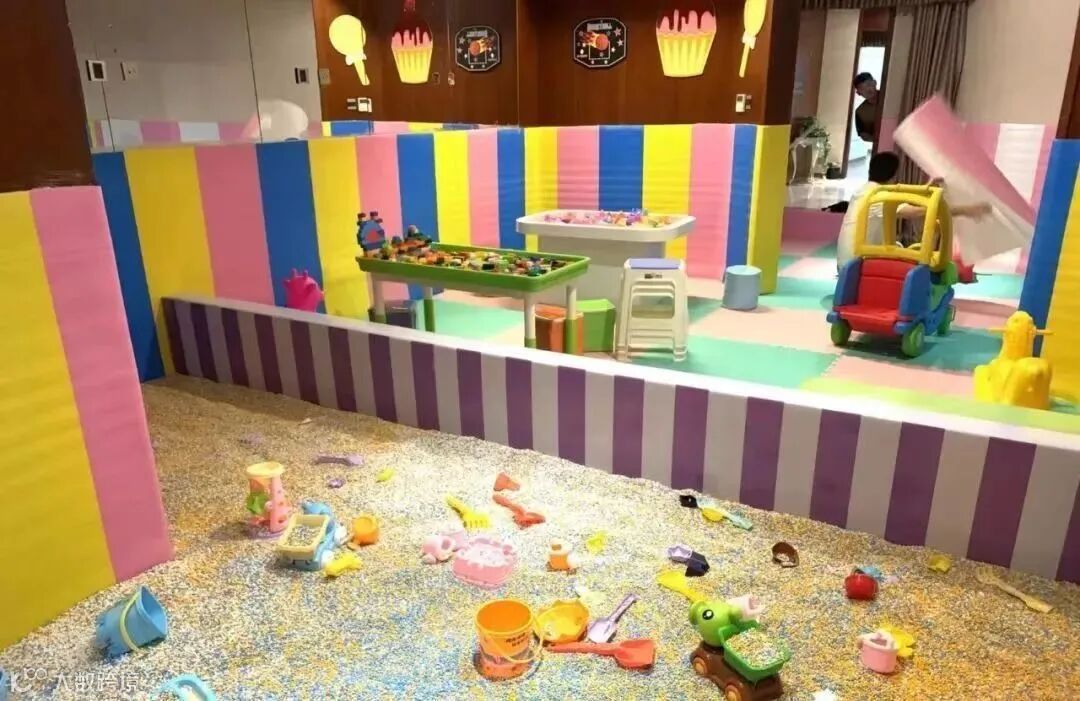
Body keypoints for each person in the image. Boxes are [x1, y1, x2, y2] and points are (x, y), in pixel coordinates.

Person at [837, 151, 991, 271]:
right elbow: (921, 211)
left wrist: (927, 187)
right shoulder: (880, 197)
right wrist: (967, 210)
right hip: (857, 266)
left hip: (845, 263)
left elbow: (908, 198)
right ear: (893, 176)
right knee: (912, 260)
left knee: (897, 245)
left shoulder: (864, 191)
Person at [853, 72, 879, 142]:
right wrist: (879, 140)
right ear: (858, 93)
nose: (868, 90)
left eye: (869, 84)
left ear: (874, 83)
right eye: (862, 88)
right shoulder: (860, 112)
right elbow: (864, 135)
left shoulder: (889, 95)